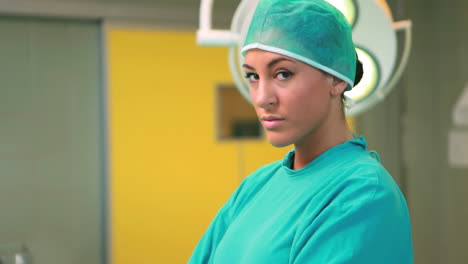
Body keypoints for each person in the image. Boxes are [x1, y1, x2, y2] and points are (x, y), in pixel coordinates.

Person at [189, 0, 413, 263]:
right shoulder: (256, 186)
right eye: (253, 76)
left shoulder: (363, 195)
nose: (262, 98)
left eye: (282, 74)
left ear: (338, 77)